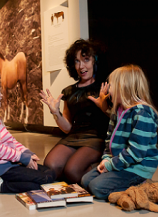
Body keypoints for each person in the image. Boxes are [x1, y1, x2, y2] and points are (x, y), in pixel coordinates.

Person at [81, 64, 158, 200]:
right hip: (120, 163)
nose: (108, 91)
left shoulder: (142, 113)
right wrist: (106, 159)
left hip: (138, 167)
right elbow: (109, 140)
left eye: (111, 86)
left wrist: (111, 165)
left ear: (124, 87)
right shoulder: (117, 111)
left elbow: (136, 153)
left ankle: (141, 187)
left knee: (97, 187)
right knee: (85, 181)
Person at [40, 39, 110, 184]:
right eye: (77, 61)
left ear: (95, 61)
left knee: (72, 171)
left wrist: (104, 106)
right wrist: (55, 112)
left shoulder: (104, 87)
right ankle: (81, 171)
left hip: (96, 138)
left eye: (86, 60)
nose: (81, 66)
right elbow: (67, 129)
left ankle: (98, 171)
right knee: (50, 166)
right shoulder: (69, 91)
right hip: (74, 137)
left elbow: (116, 118)